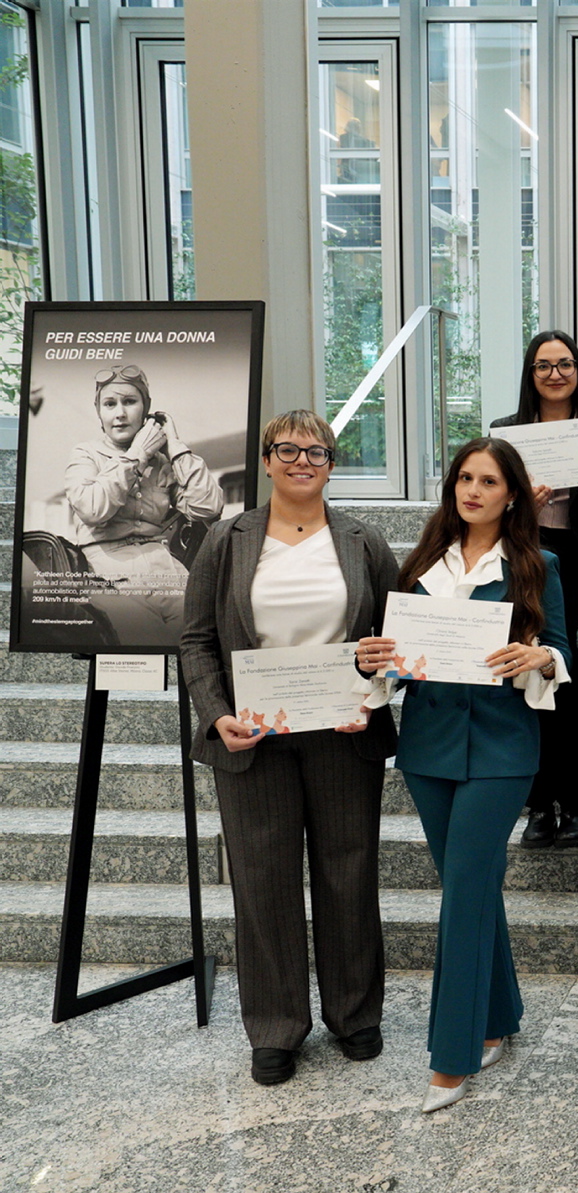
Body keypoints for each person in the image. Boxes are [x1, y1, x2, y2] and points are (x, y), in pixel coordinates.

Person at [178, 410, 398, 1088]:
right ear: (267, 461)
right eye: (288, 449)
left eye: (318, 451)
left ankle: (354, 1015)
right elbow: (195, 640)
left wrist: (374, 696)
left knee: (348, 874)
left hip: (341, 734)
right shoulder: (226, 539)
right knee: (263, 882)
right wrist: (216, 716)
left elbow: (395, 638)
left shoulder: (364, 542)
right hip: (255, 738)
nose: (303, 460)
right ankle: (275, 1026)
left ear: (333, 464)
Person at [356, 437, 569, 1112]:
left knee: (465, 892)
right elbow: (391, 656)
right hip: (428, 747)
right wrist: (372, 662)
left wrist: (536, 656)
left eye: (489, 480)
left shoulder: (539, 564)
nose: (473, 490)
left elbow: (561, 651)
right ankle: (500, 1015)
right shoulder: (419, 564)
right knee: (469, 888)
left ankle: (451, 1057)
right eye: (465, 478)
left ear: (513, 494)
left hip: (504, 748)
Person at [490, 330, 578, 850]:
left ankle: (576, 805)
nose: (555, 374)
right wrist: (524, 501)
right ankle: (538, 804)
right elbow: (488, 498)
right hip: (524, 560)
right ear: (530, 374)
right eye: (543, 365)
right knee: (528, 677)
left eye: (565, 364)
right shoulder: (506, 432)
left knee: (576, 685)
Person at [67, 363, 225, 629]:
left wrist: (175, 446)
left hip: (167, 571)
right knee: (146, 636)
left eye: (129, 402)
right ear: (99, 412)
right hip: (108, 573)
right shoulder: (85, 454)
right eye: (109, 404)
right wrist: (137, 455)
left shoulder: (163, 461)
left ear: (146, 409)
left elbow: (208, 508)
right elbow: (92, 509)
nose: (120, 413)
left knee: (202, 634)